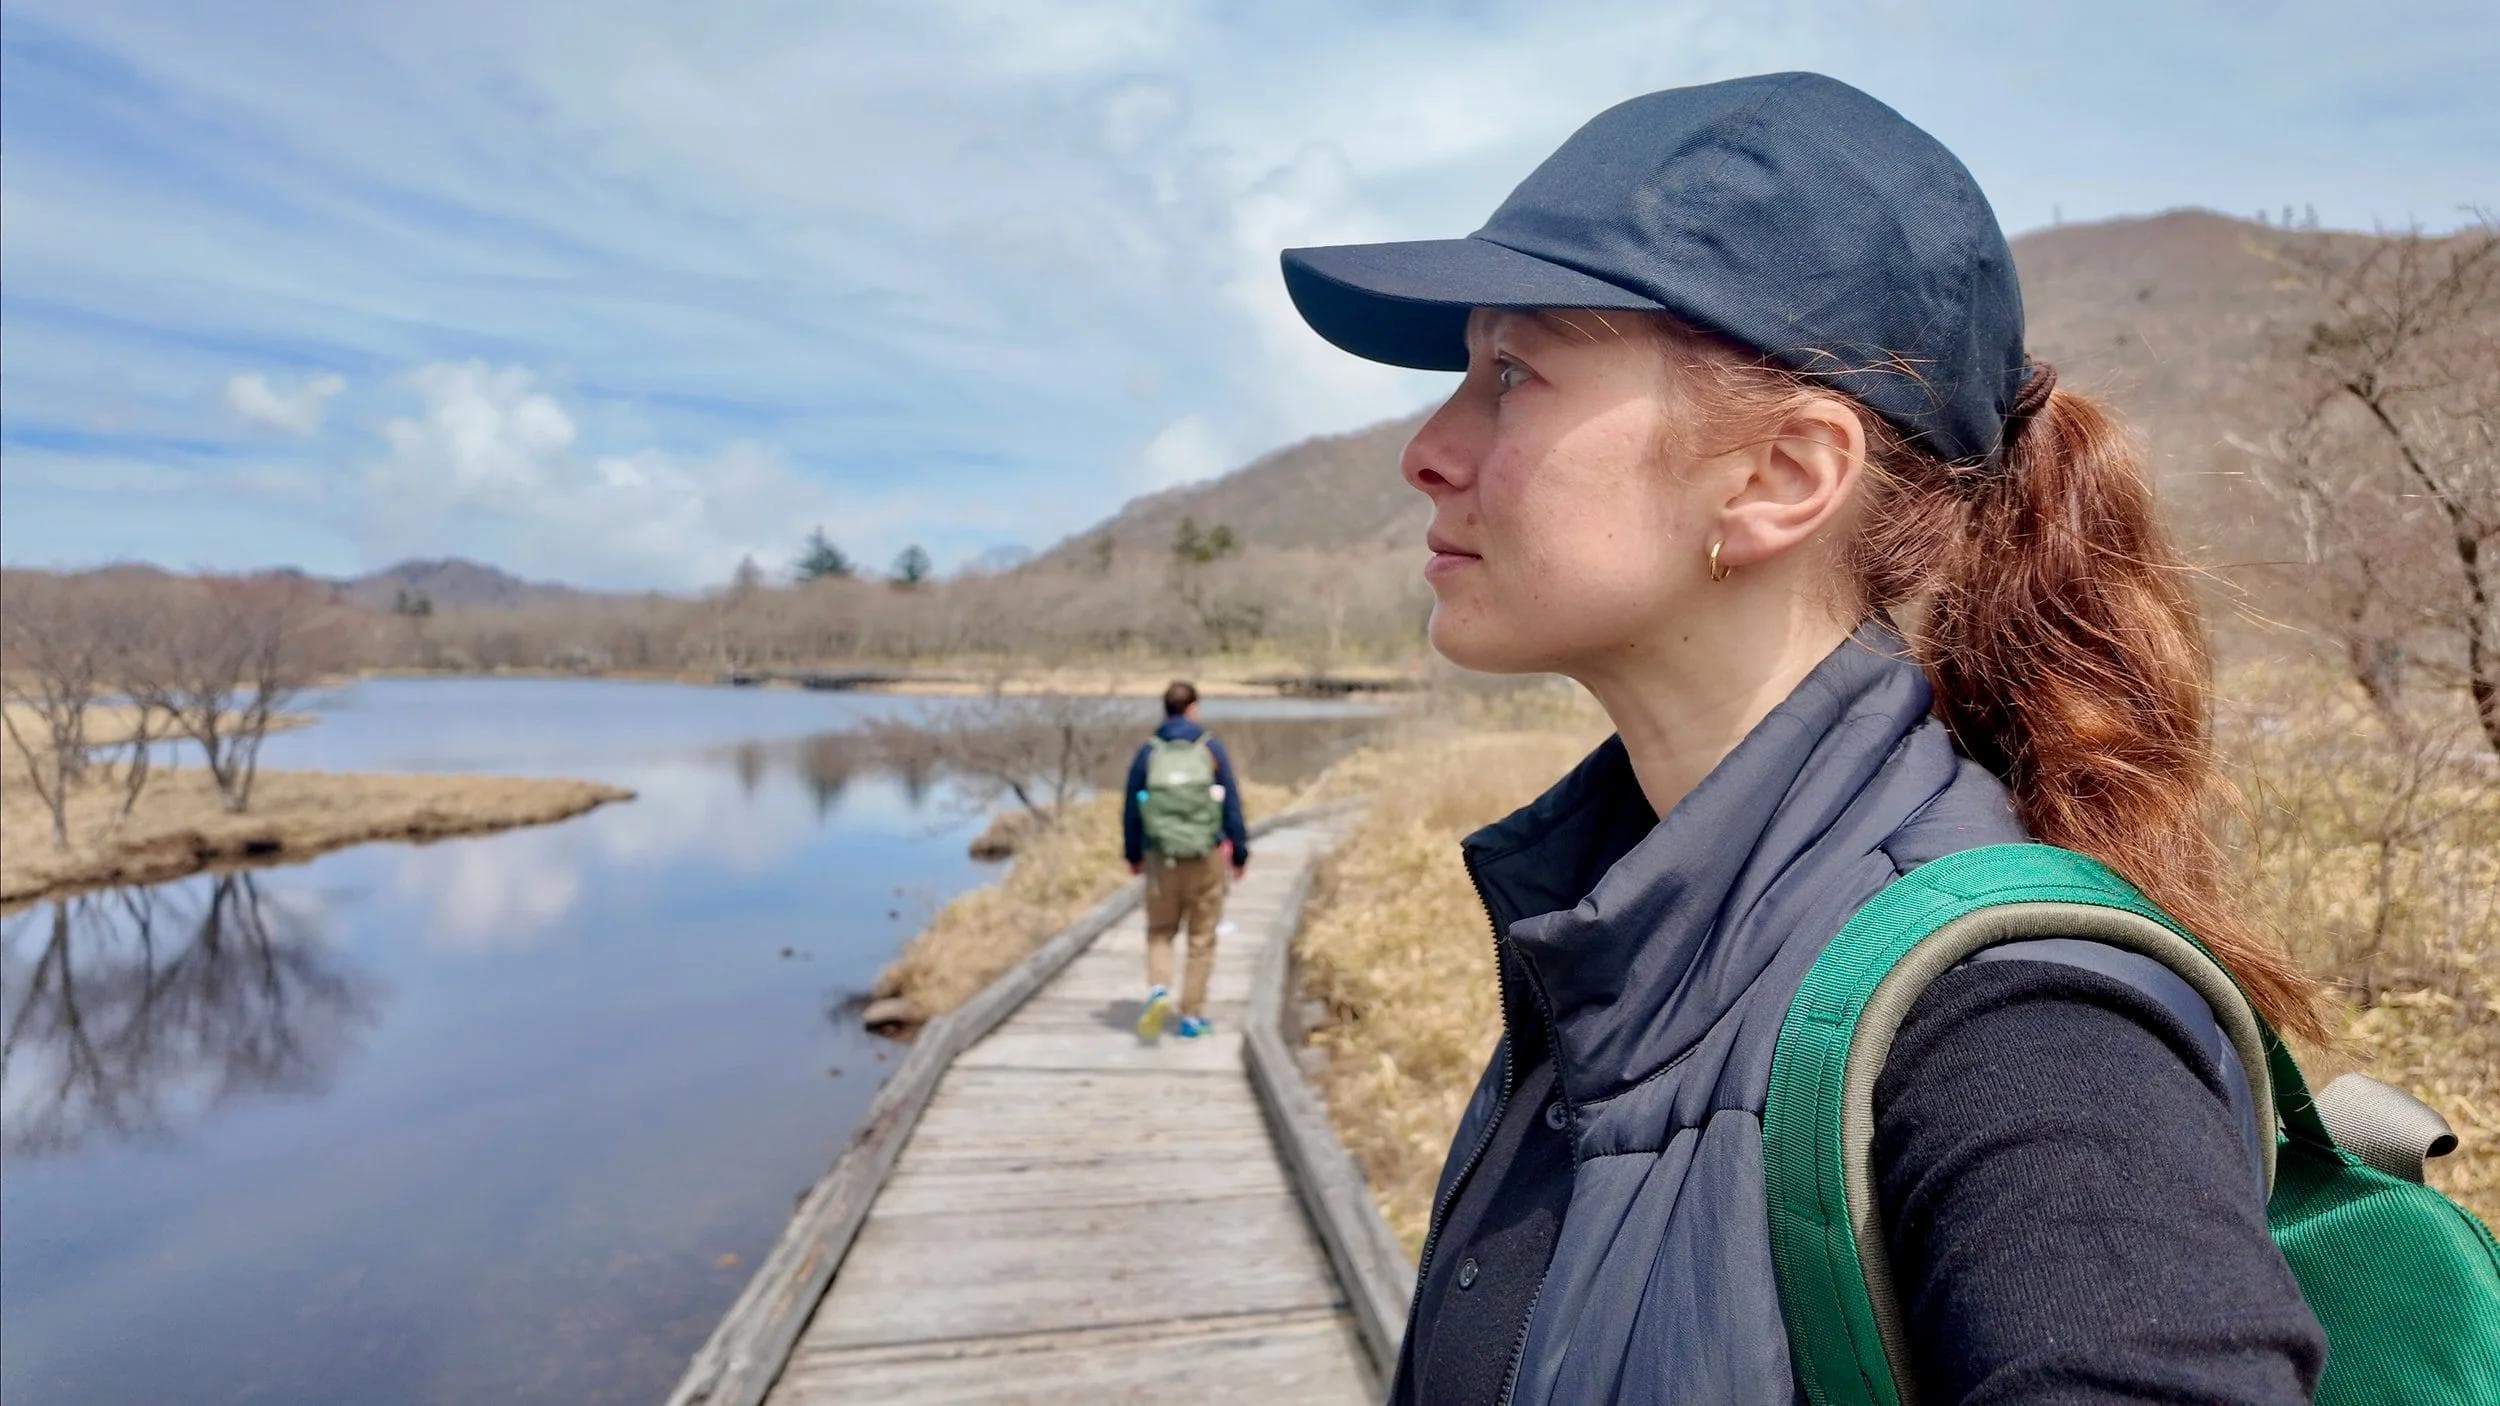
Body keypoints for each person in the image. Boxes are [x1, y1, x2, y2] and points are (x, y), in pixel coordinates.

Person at [1278, 73, 2327, 1404]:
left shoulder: (2019, 1030)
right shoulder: (1625, 928)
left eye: (1513, 373)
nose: (1429, 448)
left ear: (1782, 476)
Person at [1124, 681, 1249, 1041]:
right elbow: (1231, 805)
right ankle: (1191, 1017)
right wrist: (1240, 853)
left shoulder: (1149, 752)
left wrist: (1134, 854)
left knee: (1160, 931)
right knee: (1201, 937)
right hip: (1205, 856)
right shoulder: (1209, 749)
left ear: (1165, 709)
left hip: (1161, 857)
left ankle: (1159, 990)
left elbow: (1132, 810)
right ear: (1193, 708)